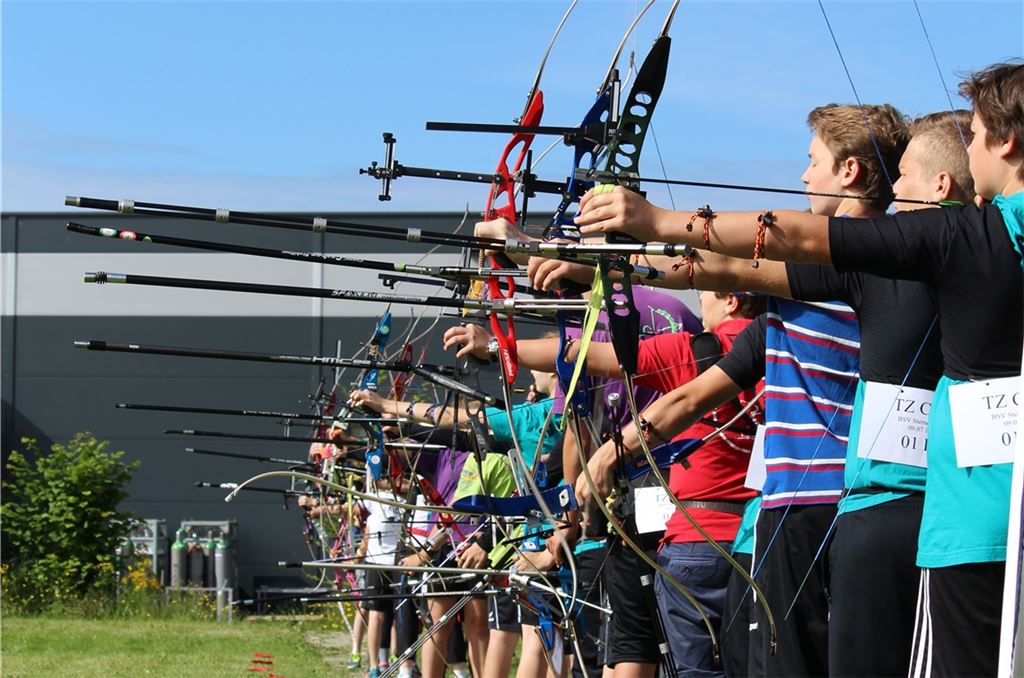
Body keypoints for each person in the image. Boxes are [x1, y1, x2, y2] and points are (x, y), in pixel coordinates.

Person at [574, 62, 1024, 678]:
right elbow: (733, 267)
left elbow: (786, 244)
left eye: (975, 136)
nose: (895, 197)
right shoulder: (953, 245)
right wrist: (588, 265)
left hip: (924, 518)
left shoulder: (956, 239)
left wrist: (655, 223)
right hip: (910, 515)